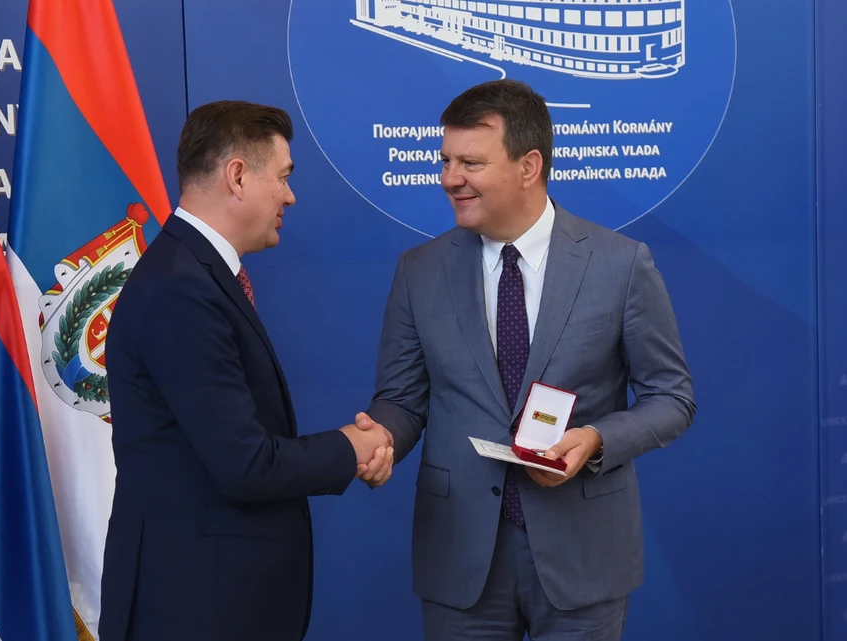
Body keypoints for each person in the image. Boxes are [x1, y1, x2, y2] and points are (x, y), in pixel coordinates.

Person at [364, 79, 696, 640]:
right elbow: (401, 399)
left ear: (529, 166)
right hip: (460, 557)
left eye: (470, 163)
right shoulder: (418, 270)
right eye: (445, 161)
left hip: (583, 557)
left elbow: (672, 398)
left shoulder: (620, 264)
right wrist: (380, 439)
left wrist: (595, 440)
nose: (449, 178)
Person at [98, 100, 394, 641]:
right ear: (237, 176)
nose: (290, 196)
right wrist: (350, 447)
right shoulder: (182, 288)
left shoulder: (192, 273)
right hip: (194, 608)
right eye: (283, 177)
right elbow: (246, 464)